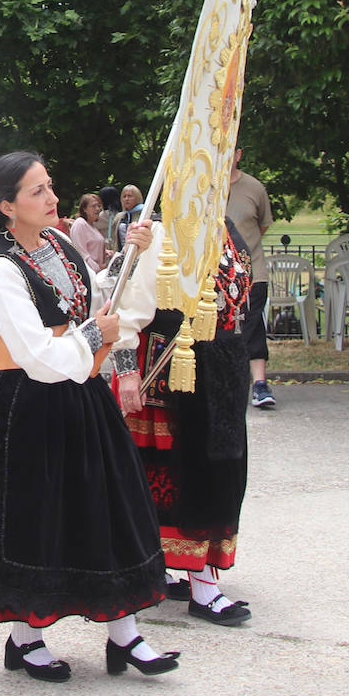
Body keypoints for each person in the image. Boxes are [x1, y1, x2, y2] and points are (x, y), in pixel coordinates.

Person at [0, 152, 177, 682]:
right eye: (38, 191)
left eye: (50, 186)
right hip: (27, 406)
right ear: (7, 206)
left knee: (107, 510)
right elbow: (38, 355)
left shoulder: (61, 244)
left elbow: (95, 299)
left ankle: (124, 634)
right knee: (34, 519)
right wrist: (95, 337)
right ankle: (25, 637)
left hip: (81, 398)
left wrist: (129, 259)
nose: (52, 198)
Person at [113, 215, 256, 626]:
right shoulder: (165, 232)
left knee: (221, 472)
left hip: (220, 375)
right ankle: (199, 583)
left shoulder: (228, 228)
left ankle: (186, 570)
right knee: (181, 478)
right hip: (172, 377)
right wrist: (126, 370)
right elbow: (128, 307)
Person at [227, 147, 276, 408]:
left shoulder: (254, 188)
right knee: (236, 330)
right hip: (220, 277)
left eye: (229, 151)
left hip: (252, 272)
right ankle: (249, 382)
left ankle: (253, 383)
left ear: (238, 155)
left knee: (248, 326)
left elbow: (262, 225)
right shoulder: (205, 187)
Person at [69, 192, 107, 270]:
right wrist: (97, 269)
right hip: (90, 274)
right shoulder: (80, 224)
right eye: (93, 206)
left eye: (99, 206)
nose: (97, 209)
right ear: (84, 209)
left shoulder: (92, 226)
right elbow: (81, 254)